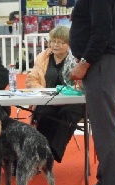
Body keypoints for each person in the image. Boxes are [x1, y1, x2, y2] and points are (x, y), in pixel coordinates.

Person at [69, 0, 115, 185]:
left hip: (99, 63)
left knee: (105, 128)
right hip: (103, 61)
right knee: (101, 126)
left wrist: (85, 62)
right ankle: (106, 181)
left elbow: (102, 30)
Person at [25, 25, 85, 163]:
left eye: (60, 42)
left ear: (68, 44)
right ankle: (39, 153)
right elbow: (31, 79)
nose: (55, 45)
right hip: (47, 100)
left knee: (68, 112)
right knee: (43, 112)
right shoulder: (42, 57)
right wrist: (44, 92)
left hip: (72, 101)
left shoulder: (76, 60)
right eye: (53, 41)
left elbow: (81, 84)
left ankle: (52, 152)